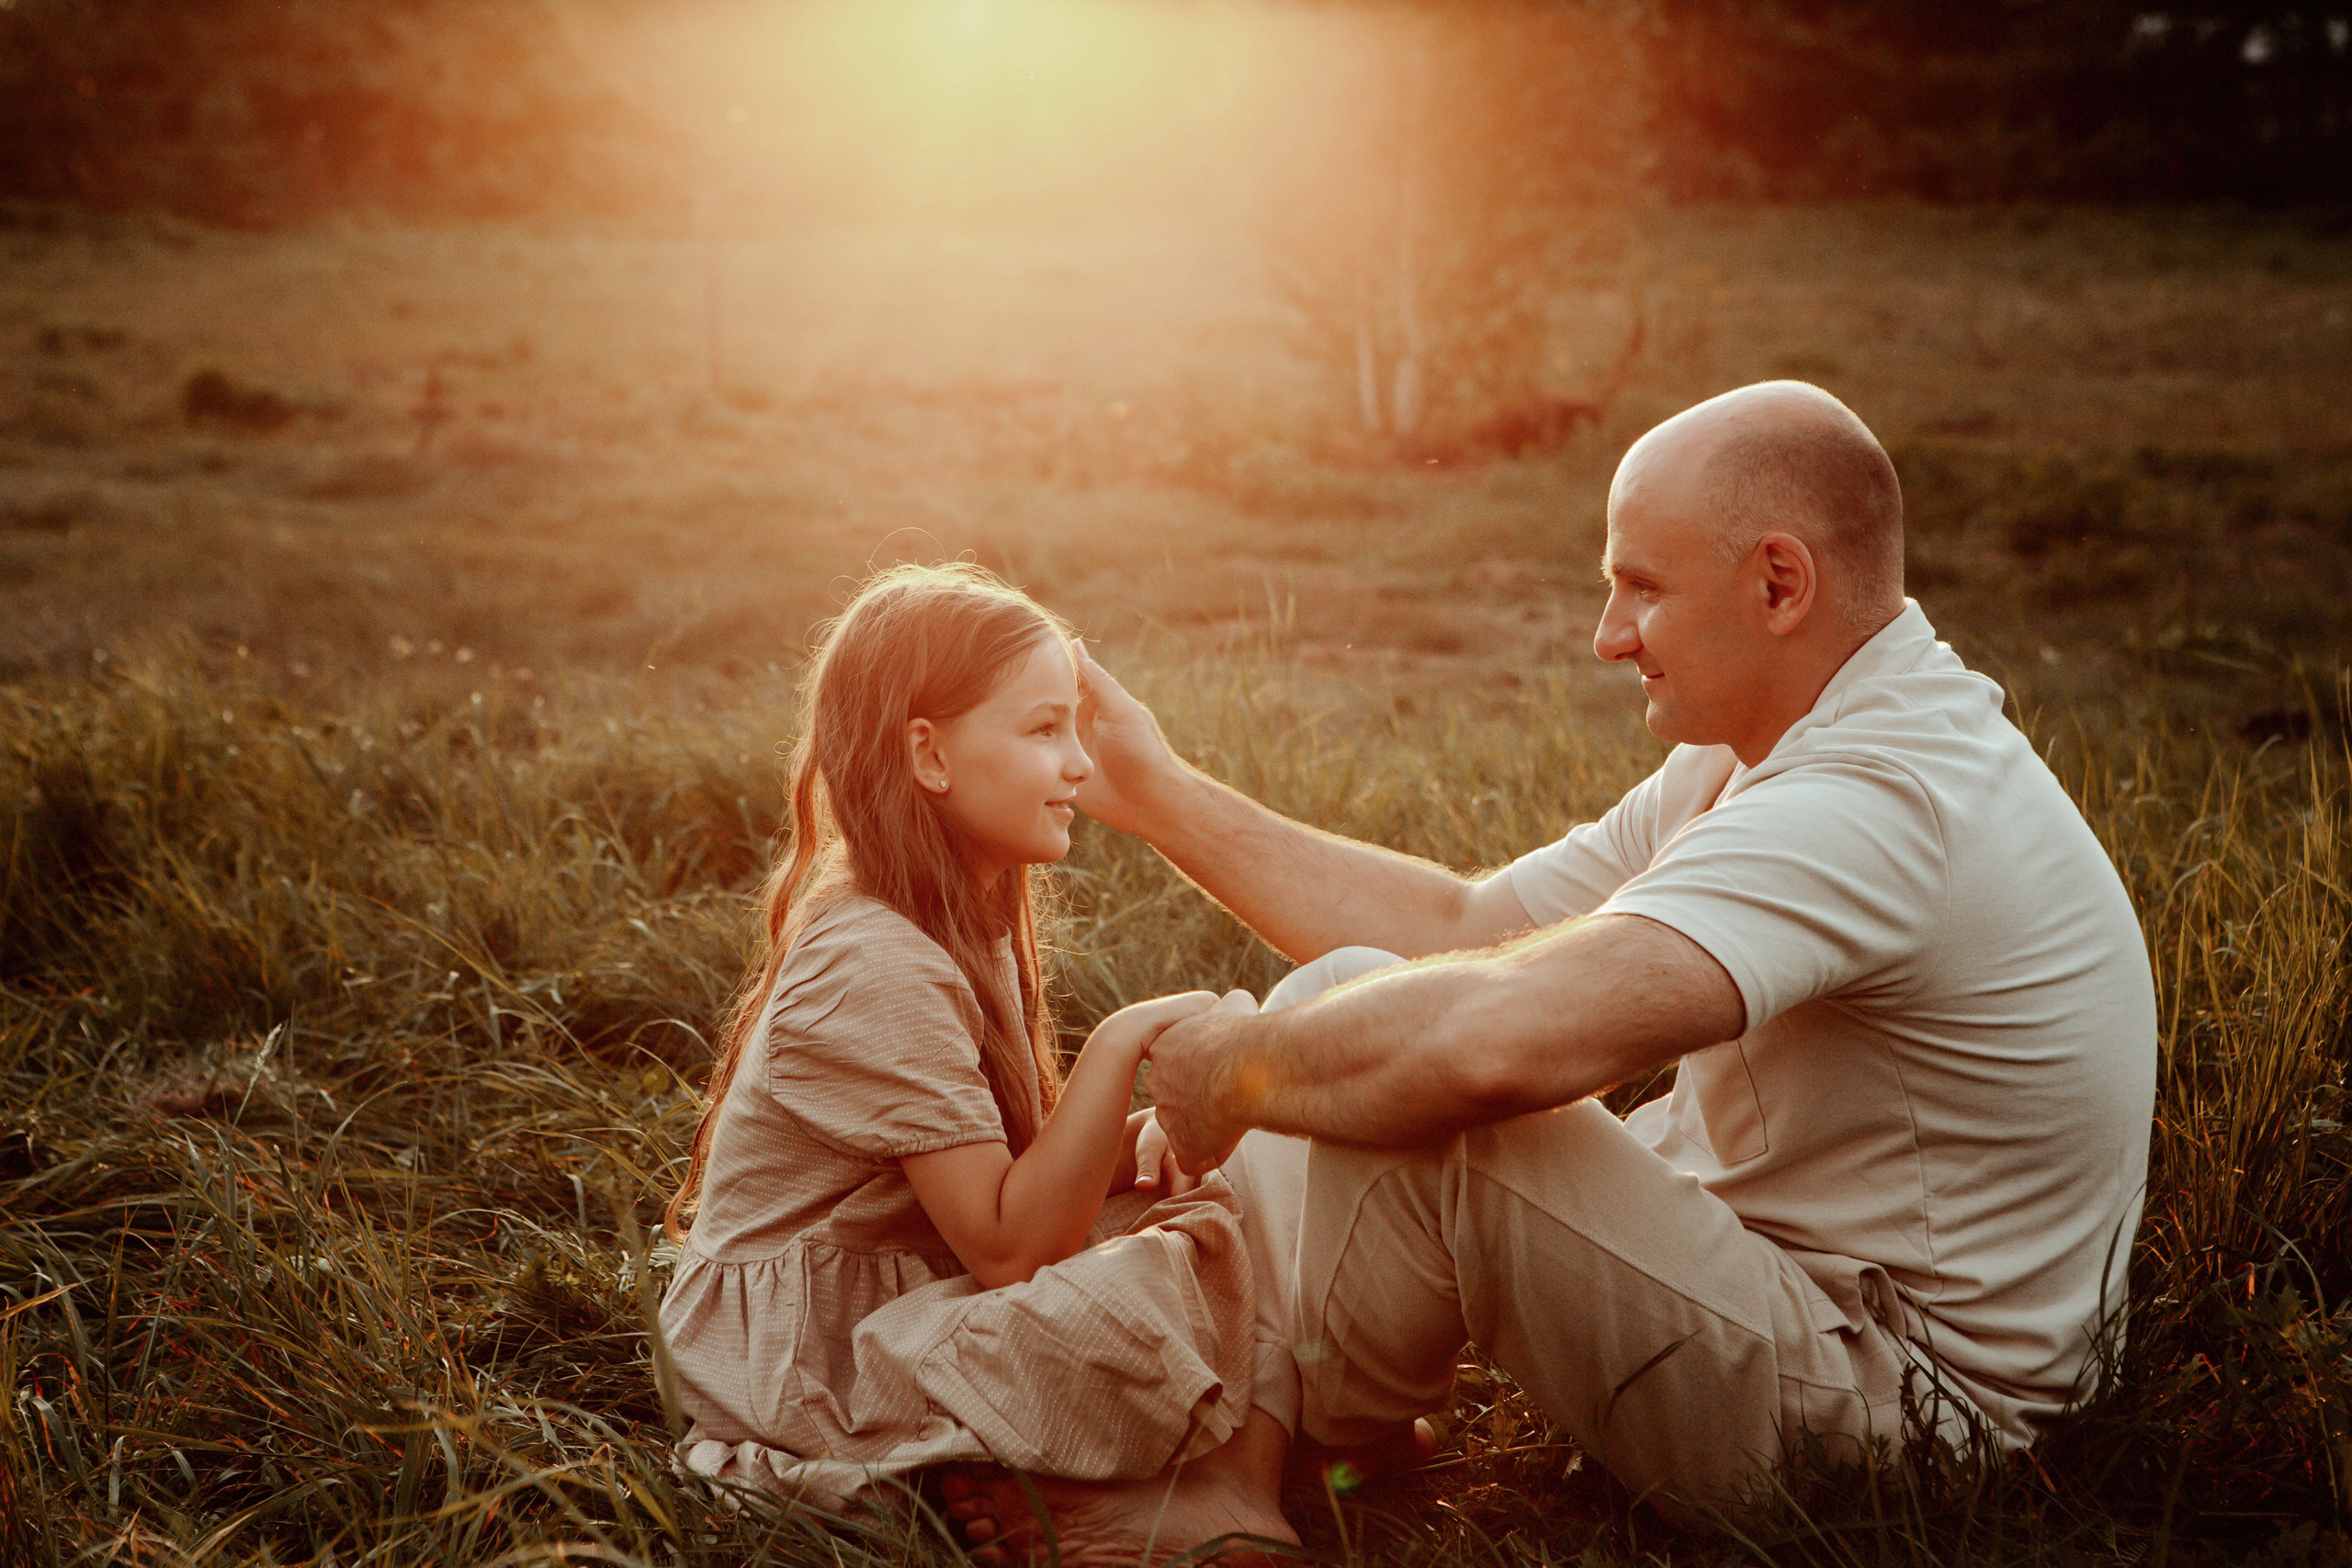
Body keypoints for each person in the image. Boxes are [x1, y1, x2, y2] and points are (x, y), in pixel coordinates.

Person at [942, 380, 2158, 1556]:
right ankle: (1303, 1423)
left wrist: (1238, 1072)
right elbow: (1472, 926)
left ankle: (1235, 1470)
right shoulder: (1770, 747)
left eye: (1641, 587)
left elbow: (1498, 1041)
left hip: (1912, 1432)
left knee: (1438, 1092)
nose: (1608, 633)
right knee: (1357, 1004)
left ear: (1779, 582)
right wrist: (1160, 794)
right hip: (1811, 1311)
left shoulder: (1879, 797)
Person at [658, 562, 1297, 1549]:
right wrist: (1124, 1043)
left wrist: (1159, 1124)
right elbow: (1008, 1247)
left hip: (909, 1280)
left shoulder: (962, 913)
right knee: (1160, 1266)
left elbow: (1019, 1187)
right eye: (1044, 730)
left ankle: (1248, 1455)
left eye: (1073, 729)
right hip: (803, 1355)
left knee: (1229, 1171)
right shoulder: (876, 957)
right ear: (929, 754)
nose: (1080, 764)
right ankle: (1227, 1450)